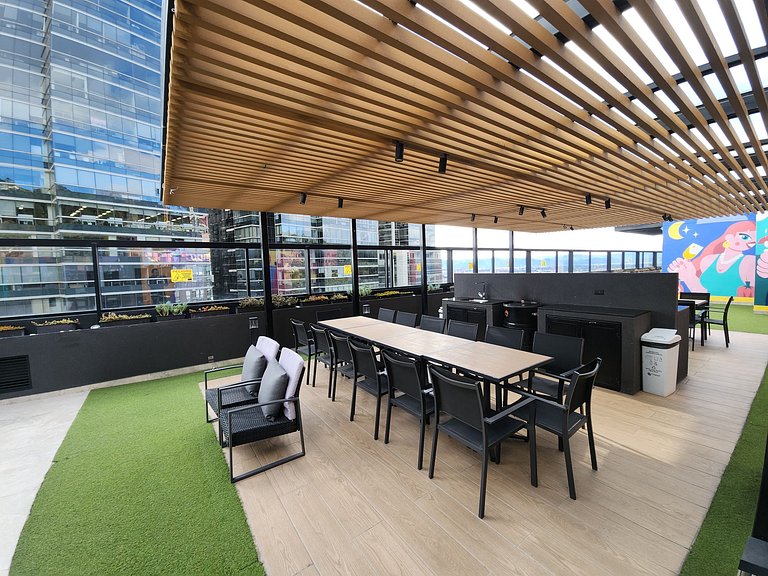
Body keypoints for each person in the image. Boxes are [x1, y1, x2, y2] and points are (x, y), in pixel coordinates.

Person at [668, 220, 767, 297]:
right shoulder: (707, 260)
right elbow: (703, 294)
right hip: (704, 305)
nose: (749, 244)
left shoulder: (748, 261)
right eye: (745, 237)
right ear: (729, 236)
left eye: (753, 242)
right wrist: (687, 276)